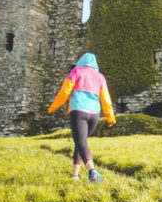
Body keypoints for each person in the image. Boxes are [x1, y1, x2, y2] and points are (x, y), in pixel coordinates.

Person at [47, 52, 116, 184]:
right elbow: (106, 100)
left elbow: (65, 92)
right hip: (95, 114)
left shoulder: (76, 71)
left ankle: (92, 171)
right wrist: (110, 118)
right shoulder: (100, 77)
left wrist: (53, 107)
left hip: (79, 111)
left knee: (81, 143)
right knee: (80, 143)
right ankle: (75, 175)